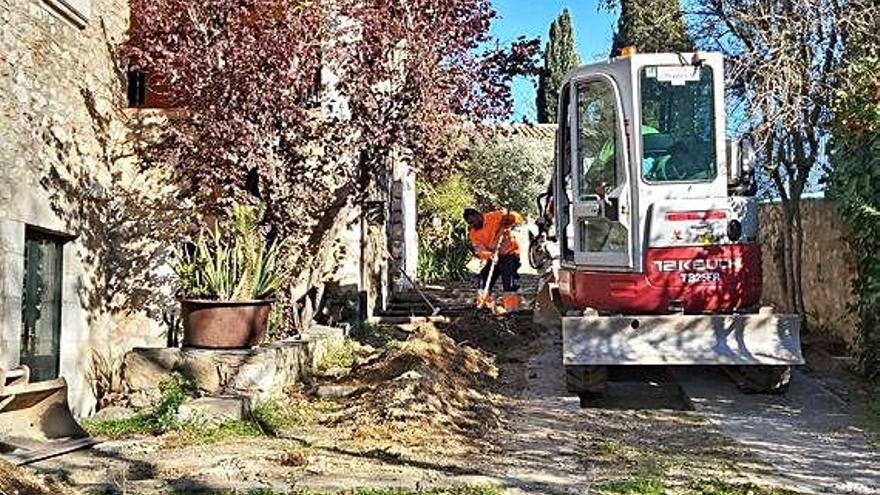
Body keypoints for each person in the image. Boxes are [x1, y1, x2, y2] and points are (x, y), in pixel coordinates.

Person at [463, 207, 525, 313]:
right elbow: (479, 250)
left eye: (473, 222)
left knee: (509, 282)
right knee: (484, 278)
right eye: (470, 223)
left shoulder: (495, 216)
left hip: (509, 254)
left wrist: (510, 218)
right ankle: (483, 305)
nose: (472, 225)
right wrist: (489, 255)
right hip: (493, 257)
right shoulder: (473, 234)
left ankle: (512, 310)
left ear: (478, 215)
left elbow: (518, 218)